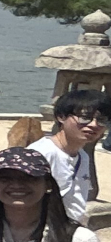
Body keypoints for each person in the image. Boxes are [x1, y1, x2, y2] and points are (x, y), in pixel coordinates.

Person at [28, 88, 106, 222]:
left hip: (70, 228)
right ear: (61, 117)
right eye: (84, 118)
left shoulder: (82, 156)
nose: (94, 125)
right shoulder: (41, 153)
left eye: (101, 120)